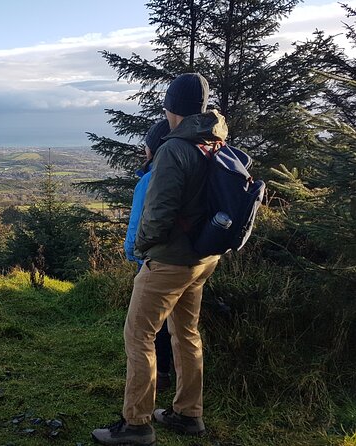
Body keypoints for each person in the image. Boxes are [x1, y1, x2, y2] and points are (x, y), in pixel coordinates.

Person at [92, 73, 228, 446]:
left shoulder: (174, 148)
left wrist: (144, 251)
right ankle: (188, 414)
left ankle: (136, 424)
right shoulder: (212, 141)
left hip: (169, 260)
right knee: (186, 333)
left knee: (138, 336)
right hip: (203, 257)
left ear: (171, 107)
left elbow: (158, 212)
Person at [123, 119, 173, 394]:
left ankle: (143, 403)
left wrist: (133, 255)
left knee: (143, 332)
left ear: (153, 149)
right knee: (180, 328)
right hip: (193, 261)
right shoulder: (192, 166)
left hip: (155, 261)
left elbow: (137, 227)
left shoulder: (150, 179)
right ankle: (179, 391)